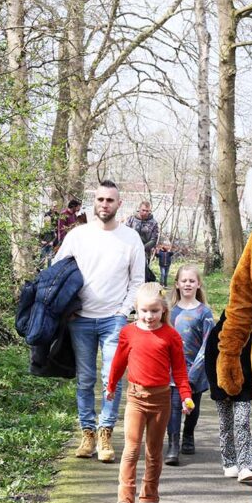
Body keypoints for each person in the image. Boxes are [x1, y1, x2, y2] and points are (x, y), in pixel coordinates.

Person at [54, 180, 145, 462]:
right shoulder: (78, 235)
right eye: (101, 199)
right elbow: (57, 272)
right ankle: (87, 434)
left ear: (119, 205)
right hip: (79, 320)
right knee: (85, 379)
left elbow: (137, 281)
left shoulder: (131, 238)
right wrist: (66, 306)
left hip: (112, 321)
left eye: (110, 200)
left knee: (112, 379)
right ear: (95, 203)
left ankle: (106, 433)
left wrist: (122, 312)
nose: (105, 204)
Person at [105, 282, 193, 503]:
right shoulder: (128, 333)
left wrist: (186, 396)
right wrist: (111, 386)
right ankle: (124, 502)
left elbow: (180, 370)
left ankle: (149, 498)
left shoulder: (171, 336)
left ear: (163, 310)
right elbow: (119, 363)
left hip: (161, 400)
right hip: (135, 398)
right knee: (131, 450)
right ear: (136, 309)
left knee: (154, 452)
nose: (149, 316)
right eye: (144, 311)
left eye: (154, 311)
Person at [164, 264, 215, 466]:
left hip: (197, 368)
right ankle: (173, 445)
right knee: (174, 406)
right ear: (177, 284)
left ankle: (188, 435)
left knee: (192, 405)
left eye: (191, 281)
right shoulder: (169, 311)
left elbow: (208, 342)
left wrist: (195, 372)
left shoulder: (204, 312)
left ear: (198, 284)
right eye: (184, 281)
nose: (187, 284)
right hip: (172, 369)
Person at [205, 309, 252, 482]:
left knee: (242, 423)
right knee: (226, 425)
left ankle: (246, 465)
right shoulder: (216, 333)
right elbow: (210, 363)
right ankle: (229, 462)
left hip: (244, 387)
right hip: (221, 388)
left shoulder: (249, 336)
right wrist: (218, 390)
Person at [125, 201, 160, 283]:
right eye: (143, 210)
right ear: (139, 209)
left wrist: (142, 248)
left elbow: (154, 240)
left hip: (144, 252)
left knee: (142, 274)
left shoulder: (153, 223)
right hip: (130, 250)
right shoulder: (131, 219)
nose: (145, 212)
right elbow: (125, 233)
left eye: (147, 211)